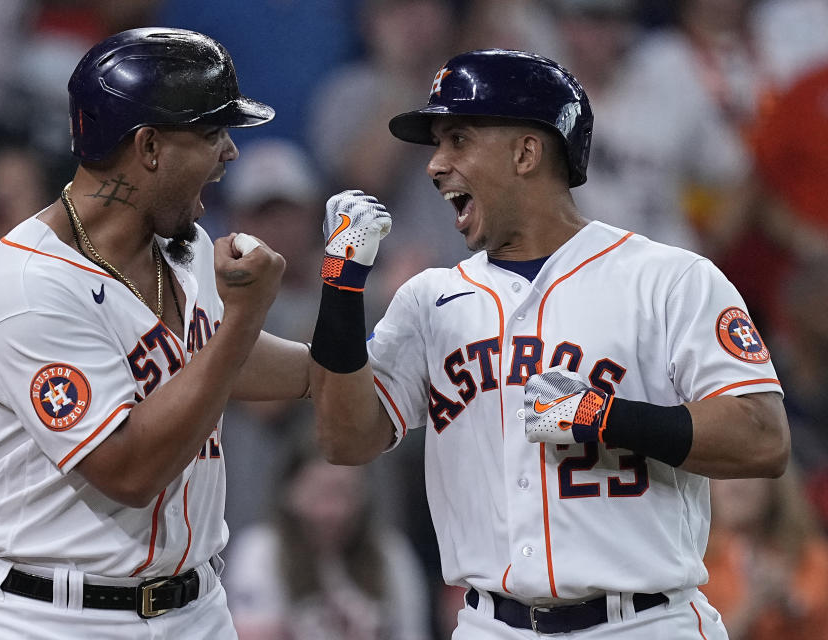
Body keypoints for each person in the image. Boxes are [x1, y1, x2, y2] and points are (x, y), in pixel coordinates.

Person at [308, 49, 790, 638]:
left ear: (527, 152)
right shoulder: (427, 299)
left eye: (457, 138)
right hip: (492, 624)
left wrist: (605, 417)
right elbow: (344, 438)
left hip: (644, 621)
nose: (435, 164)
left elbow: (764, 439)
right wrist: (340, 286)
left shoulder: (668, 278)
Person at [0, 28, 310, 640]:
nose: (230, 154)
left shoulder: (180, 243)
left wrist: (373, 366)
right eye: (211, 134)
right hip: (48, 615)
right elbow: (129, 469)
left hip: (195, 609)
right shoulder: (29, 284)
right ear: (148, 147)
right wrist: (247, 316)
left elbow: (217, 361)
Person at [224, 441, 431, 640]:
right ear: (290, 493)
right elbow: (252, 634)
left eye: (346, 493)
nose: (334, 511)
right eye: (321, 493)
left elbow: (412, 633)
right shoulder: (260, 550)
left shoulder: (390, 552)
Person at [702, 467, 828, 639]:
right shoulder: (700, 564)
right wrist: (752, 606)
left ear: (775, 484)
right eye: (723, 475)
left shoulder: (811, 556)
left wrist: (789, 603)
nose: (734, 485)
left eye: (747, 473)